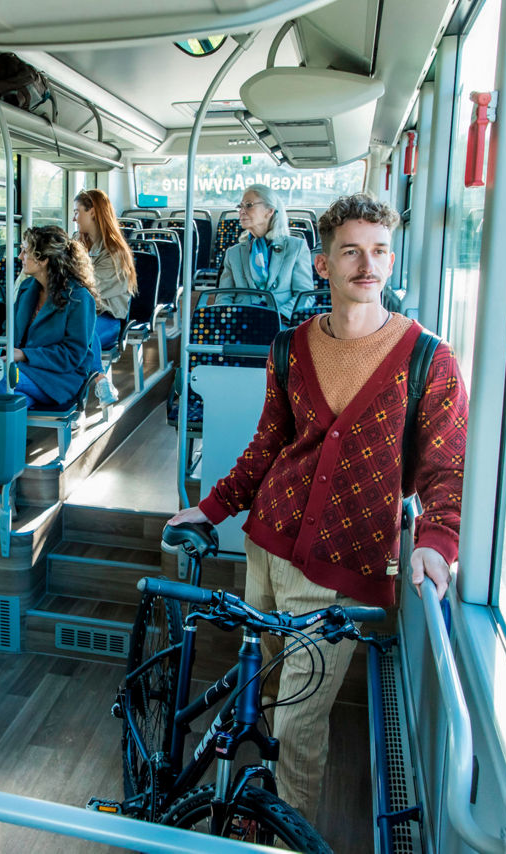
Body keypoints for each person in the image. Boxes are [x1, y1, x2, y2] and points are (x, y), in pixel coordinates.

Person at [168, 192, 469, 823]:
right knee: (266, 691)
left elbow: (447, 466)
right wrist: (212, 507)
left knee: (300, 726)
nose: (369, 264)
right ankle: (252, 809)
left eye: (380, 251)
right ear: (323, 264)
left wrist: (438, 542)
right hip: (266, 543)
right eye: (352, 251)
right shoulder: (289, 347)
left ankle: (281, 834)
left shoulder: (428, 360)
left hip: (341, 562)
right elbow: (269, 444)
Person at [0, 225, 102, 409]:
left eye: (25, 251)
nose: (20, 257)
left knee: (1, 380)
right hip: (27, 370)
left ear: (43, 259)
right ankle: (12, 436)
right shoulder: (27, 288)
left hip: (60, 377)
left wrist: (25, 355)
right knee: (8, 398)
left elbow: (72, 354)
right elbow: (10, 329)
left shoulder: (79, 298)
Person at [73, 188, 137, 407]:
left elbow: (88, 290)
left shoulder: (114, 252)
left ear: (92, 212)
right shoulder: (76, 244)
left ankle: (89, 386)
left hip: (108, 319)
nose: (74, 218)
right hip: (79, 315)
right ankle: (100, 378)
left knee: (80, 330)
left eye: (78, 211)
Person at [216, 183, 313, 321]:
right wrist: (230, 321)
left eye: (249, 205)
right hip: (241, 323)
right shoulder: (233, 253)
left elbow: (305, 295)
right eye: (240, 206)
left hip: (282, 323)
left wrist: (277, 316)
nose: (242, 211)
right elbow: (224, 296)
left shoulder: (295, 248)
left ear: (269, 211)